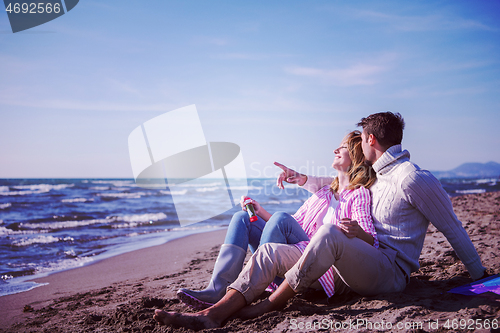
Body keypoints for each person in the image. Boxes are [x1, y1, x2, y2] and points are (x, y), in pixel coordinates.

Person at [153, 112, 487, 330]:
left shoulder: (413, 178)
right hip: (357, 260)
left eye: (359, 140)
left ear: (371, 140)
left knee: (327, 231)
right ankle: (214, 313)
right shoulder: (375, 178)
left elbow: (452, 228)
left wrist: (484, 279)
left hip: (391, 272)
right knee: (269, 252)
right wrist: (299, 178)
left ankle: (270, 301)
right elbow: (332, 185)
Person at [177, 130, 376, 310]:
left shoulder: (358, 195)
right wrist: (260, 210)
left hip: (312, 265)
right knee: (242, 218)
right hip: (289, 251)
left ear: (355, 156)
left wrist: (355, 231)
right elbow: (290, 226)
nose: (335, 149)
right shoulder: (324, 192)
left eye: (342, 147)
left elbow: (372, 241)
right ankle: (218, 289)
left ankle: (263, 282)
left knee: (281, 217)